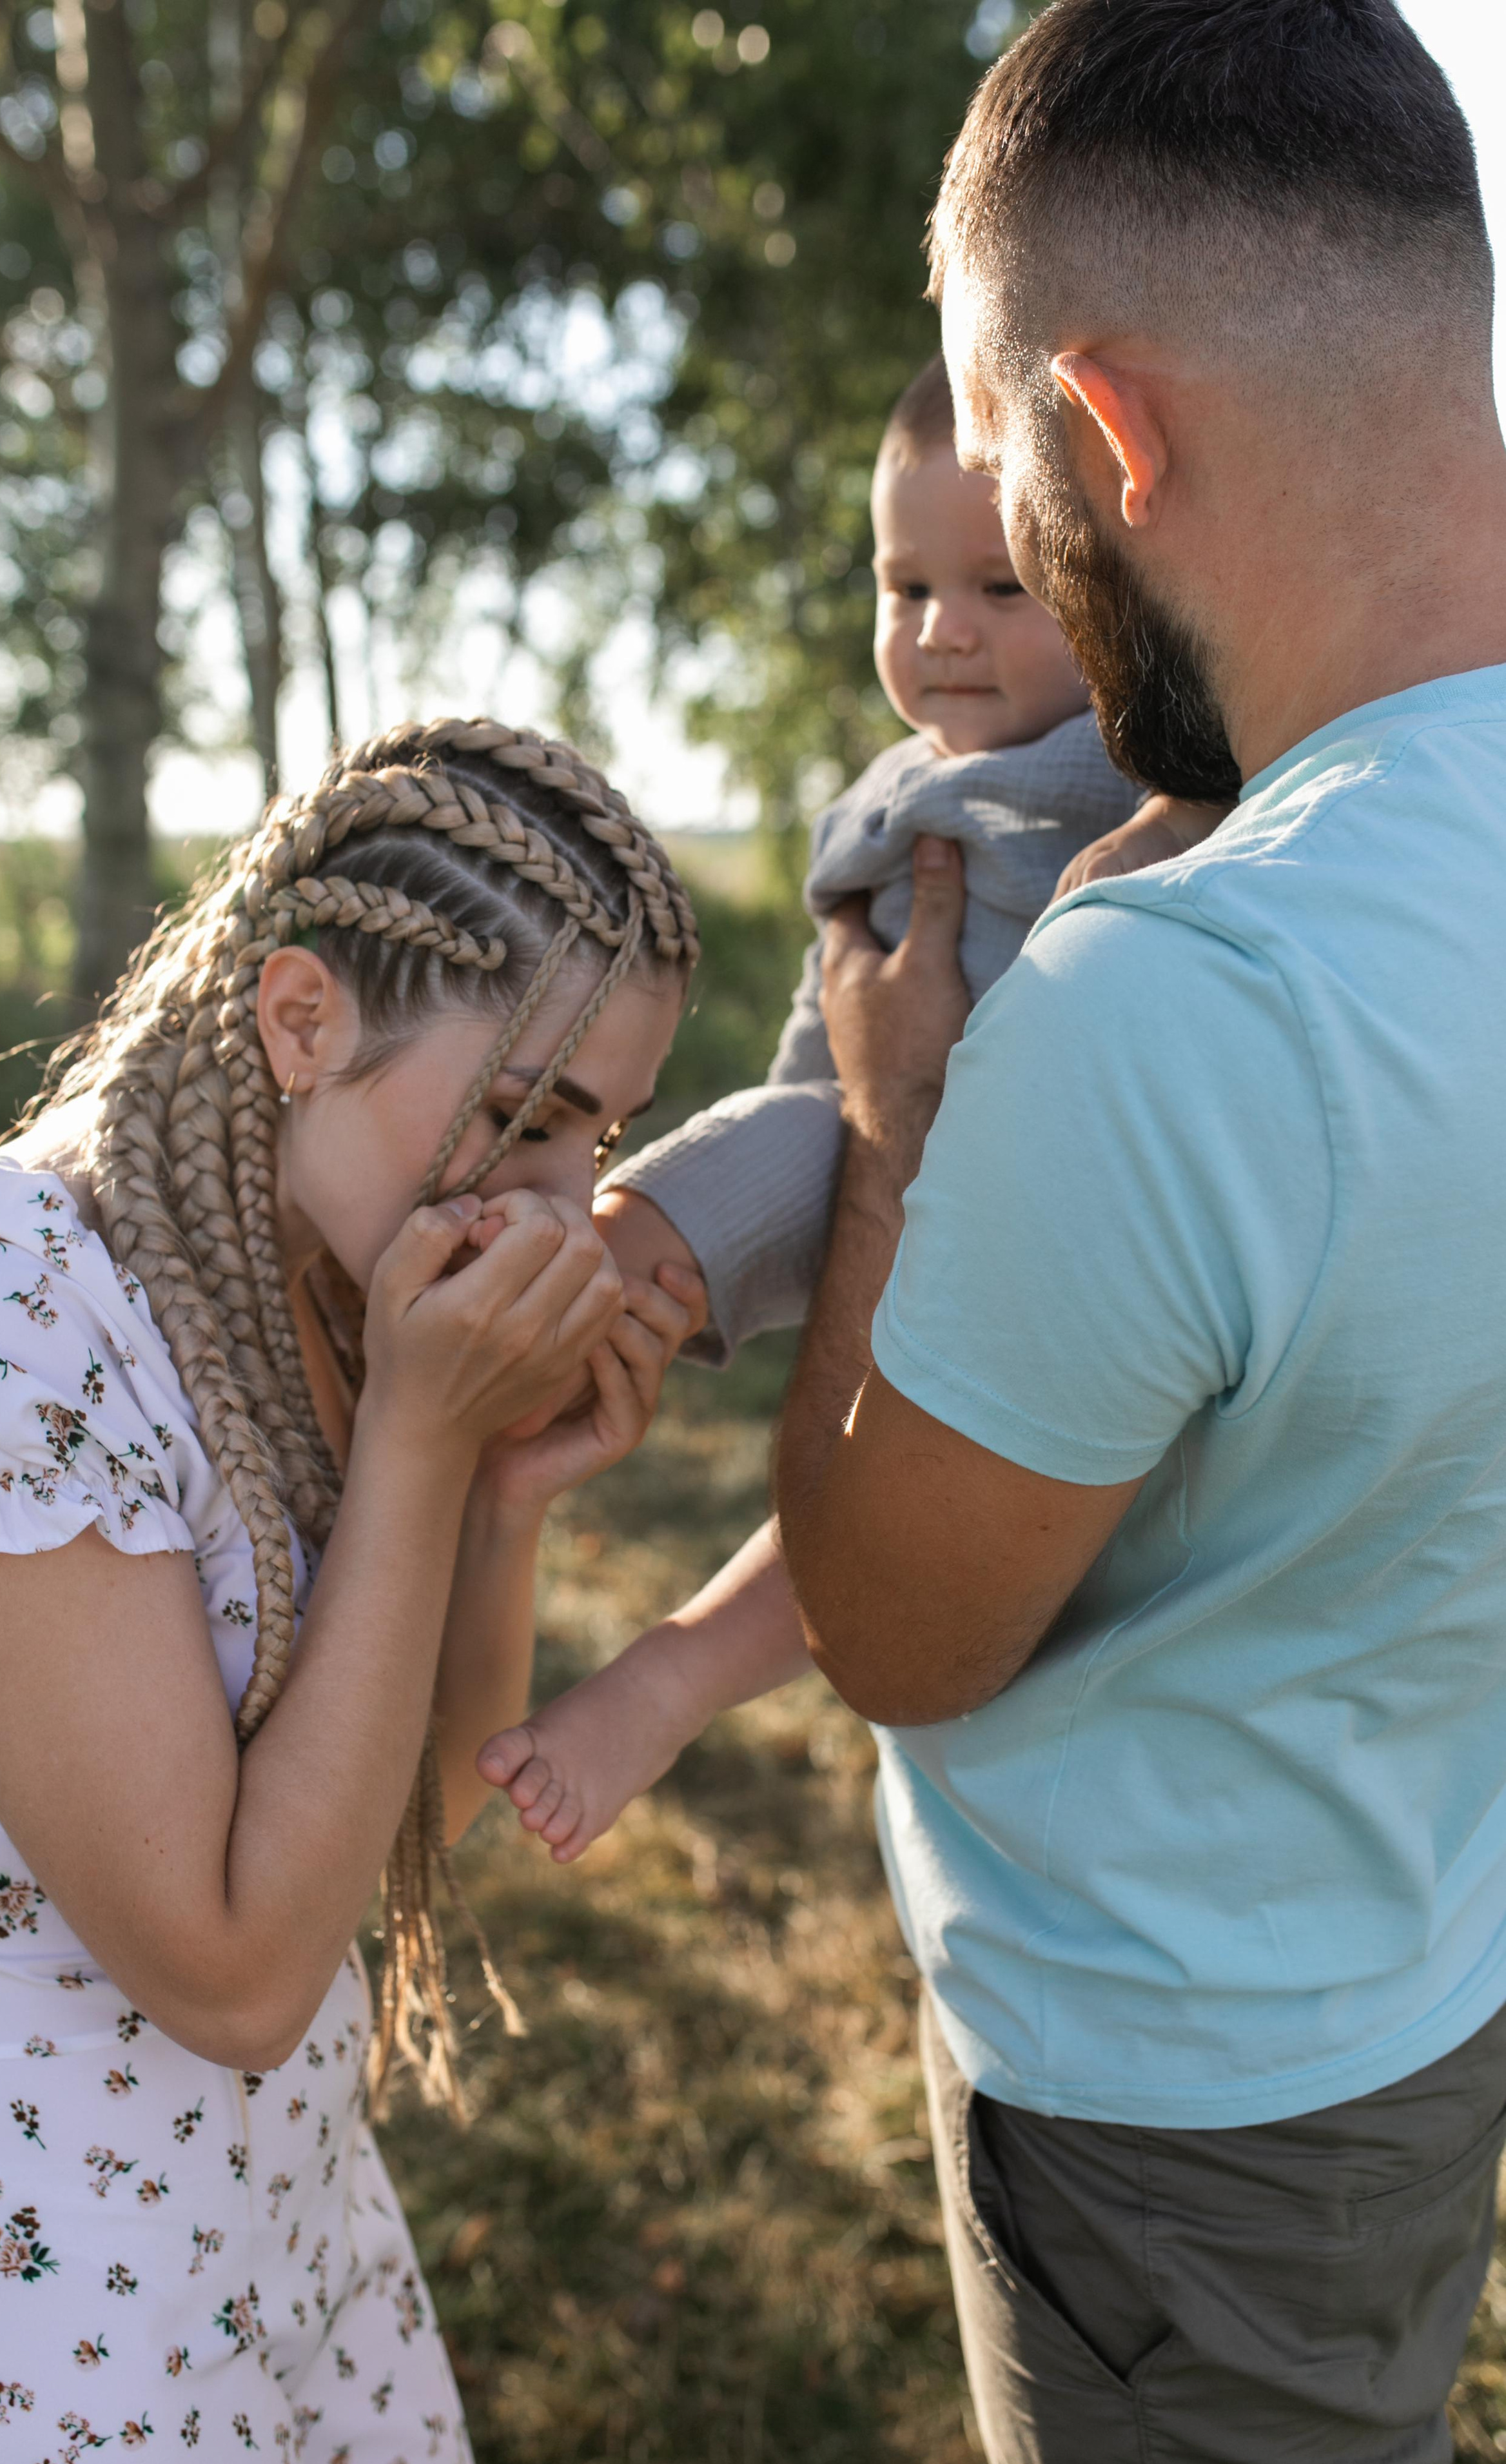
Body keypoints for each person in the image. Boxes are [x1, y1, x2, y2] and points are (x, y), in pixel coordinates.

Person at [766, 1, 1506, 2464]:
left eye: (1006, 475)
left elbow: (896, 1624)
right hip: (1422, 1965)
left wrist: (892, 1136)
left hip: (1168, 2105)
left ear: (1105, 433)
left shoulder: (1176, 1005)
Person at [0, 718, 702, 2464]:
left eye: (603, 1135)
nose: (567, 1203)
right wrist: (415, 1445)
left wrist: (501, 1493)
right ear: (302, 1021)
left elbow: (404, 1829)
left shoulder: (326, 1303)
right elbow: (236, 1973)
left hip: (282, 2237)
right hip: (39, 2324)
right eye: (527, 1120)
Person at [477, 359, 1217, 1863]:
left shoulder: (1144, 749)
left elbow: (1253, 770)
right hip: (883, 1158)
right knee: (804, 1248)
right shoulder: (886, 800)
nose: (942, 631)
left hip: (1061, 1215)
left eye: (1003, 589)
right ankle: (580, 1312)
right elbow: (822, 1061)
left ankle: (669, 1661)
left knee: (904, 1499)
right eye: (903, 585)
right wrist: (724, 1213)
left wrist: (1165, 823)